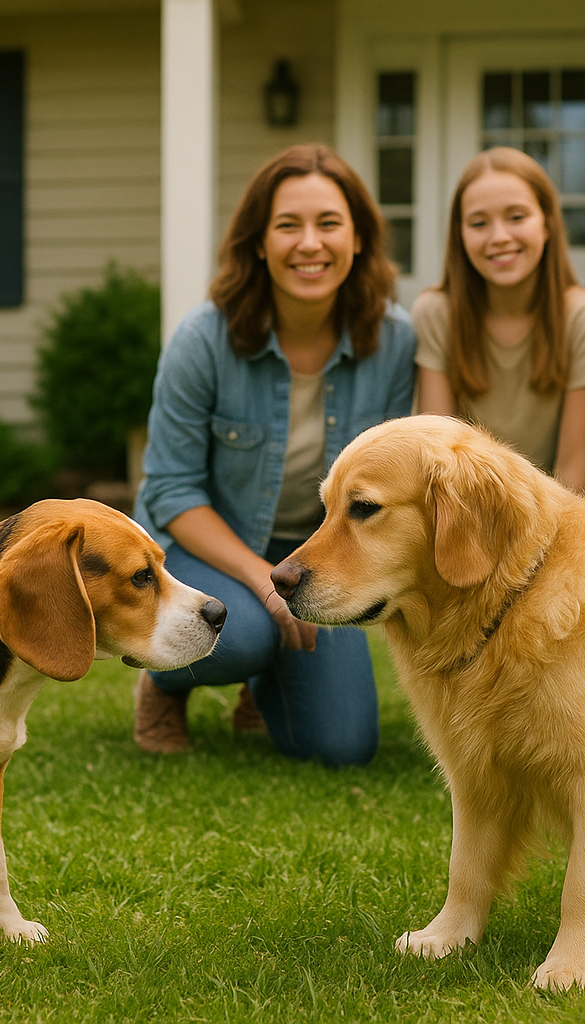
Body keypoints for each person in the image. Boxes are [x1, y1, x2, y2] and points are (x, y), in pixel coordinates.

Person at [131, 144, 415, 764]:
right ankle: (164, 680)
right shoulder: (202, 340)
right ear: (258, 243)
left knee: (342, 747)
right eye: (288, 225)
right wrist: (262, 579)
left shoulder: (394, 340)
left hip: (314, 549)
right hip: (201, 548)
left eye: (329, 224)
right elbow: (173, 490)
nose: (309, 243)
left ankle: (265, 685)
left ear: (359, 238)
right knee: (242, 636)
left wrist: (301, 574)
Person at [414, 147, 585, 492]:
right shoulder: (437, 313)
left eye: (516, 217)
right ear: (460, 234)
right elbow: (438, 458)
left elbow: (573, 472)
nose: (499, 237)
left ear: (547, 225)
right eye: (479, 223)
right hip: (466, 512)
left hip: (553, 514)